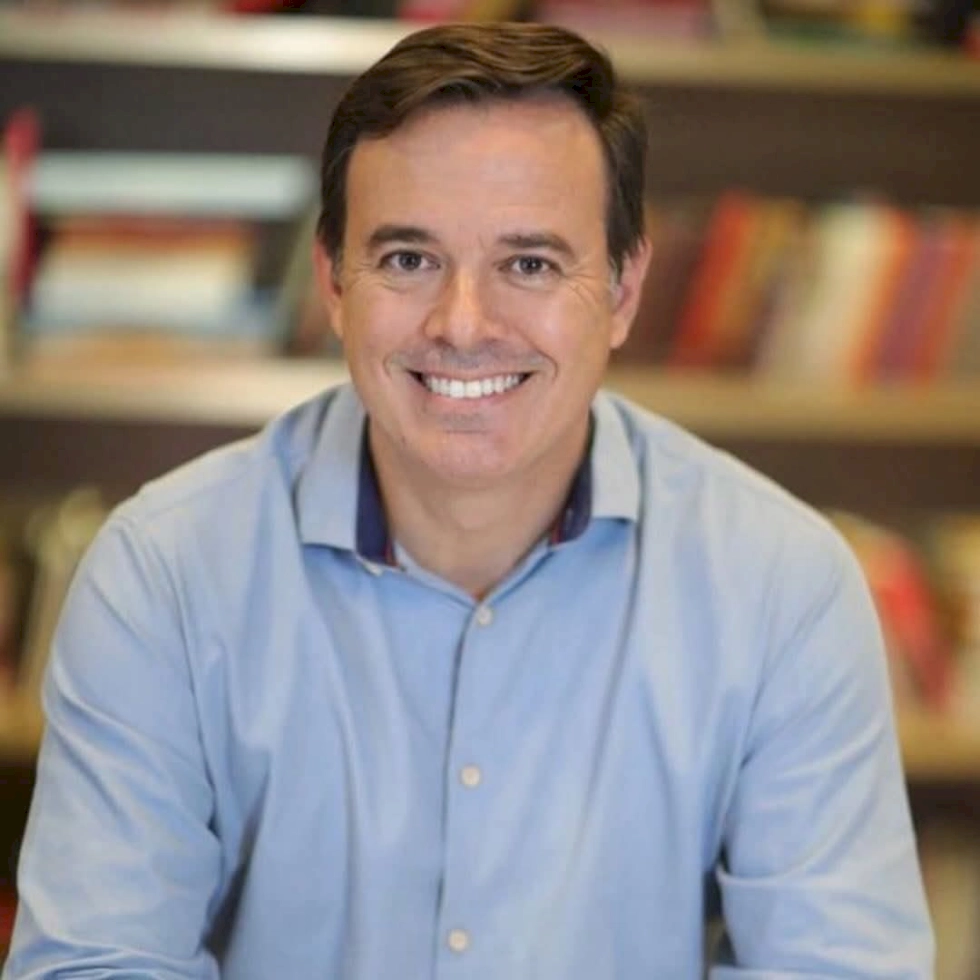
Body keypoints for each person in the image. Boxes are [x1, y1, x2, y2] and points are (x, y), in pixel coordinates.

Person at [4, 22, 933, 980]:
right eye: (408, 259)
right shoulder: (162, 574)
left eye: (530, 264)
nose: (462, 324)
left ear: (621, 291)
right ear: (334, 284)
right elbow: (95, 964)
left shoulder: (782, 587)